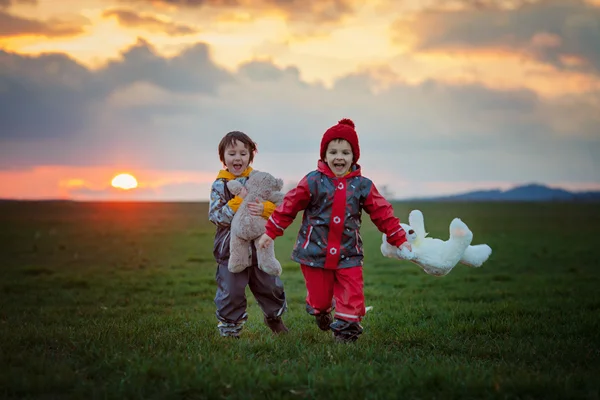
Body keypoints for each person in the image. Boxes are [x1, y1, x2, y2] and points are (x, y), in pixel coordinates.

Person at [257, 118, 411, 342]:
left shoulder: (363, 186)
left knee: (352, 292)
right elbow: (288, 206)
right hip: (314, 253)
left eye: (346, 153)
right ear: (324, 155)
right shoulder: (313, 181)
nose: (339, 157)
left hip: (348, 253)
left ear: (354, 157)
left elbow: (382, 212)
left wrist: (399, 238)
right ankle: (321, 311)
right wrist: (270, 231)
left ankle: (347, 333)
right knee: (320, 300)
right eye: (334, 152)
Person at [209, 131, 288, 338]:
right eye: (232, 153)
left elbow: (280, 207)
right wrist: (238, 202)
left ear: (250, 156)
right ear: (223, 158)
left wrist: (265, 209)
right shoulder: (220, 185)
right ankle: (230, 327)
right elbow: (216, 216)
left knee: (270, 285)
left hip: (260, 246)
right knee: (232, 291)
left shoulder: (259, 179)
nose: (238, 158)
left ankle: (274, 317)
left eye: (243, 153)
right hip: (230, 249)